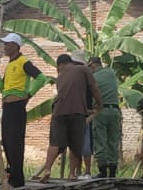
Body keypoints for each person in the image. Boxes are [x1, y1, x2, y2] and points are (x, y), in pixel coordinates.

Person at [0, 32, 43, 190]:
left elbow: (41, 78)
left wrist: (29, 95)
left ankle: (18, 179)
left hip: (17, 106)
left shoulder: (23, 62)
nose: (4, 47)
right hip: (7, 106)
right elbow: (2, 88)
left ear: (15, 46)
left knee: (15, 142)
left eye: (7, 44)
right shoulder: (10, 65)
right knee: (6, 140)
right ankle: (12, 172)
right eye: (4, 44)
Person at [35, 52, 98, 182]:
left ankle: (47, 170)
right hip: (77, 112)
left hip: (59, 111)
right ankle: (72, 173)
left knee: (54, 144)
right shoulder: (84, 70)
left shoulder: (60, 76)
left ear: (62, 65)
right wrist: (100, 104)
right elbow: (94, 88)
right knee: (75, 145)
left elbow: (66, 95)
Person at [88, 57, 122, 178]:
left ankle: (103, 171)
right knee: (113, 141)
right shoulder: (111, 72)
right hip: (115, 110)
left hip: (100, 111)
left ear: (92, 66)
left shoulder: (93, 78)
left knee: (100, 141)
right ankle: (112, 172)